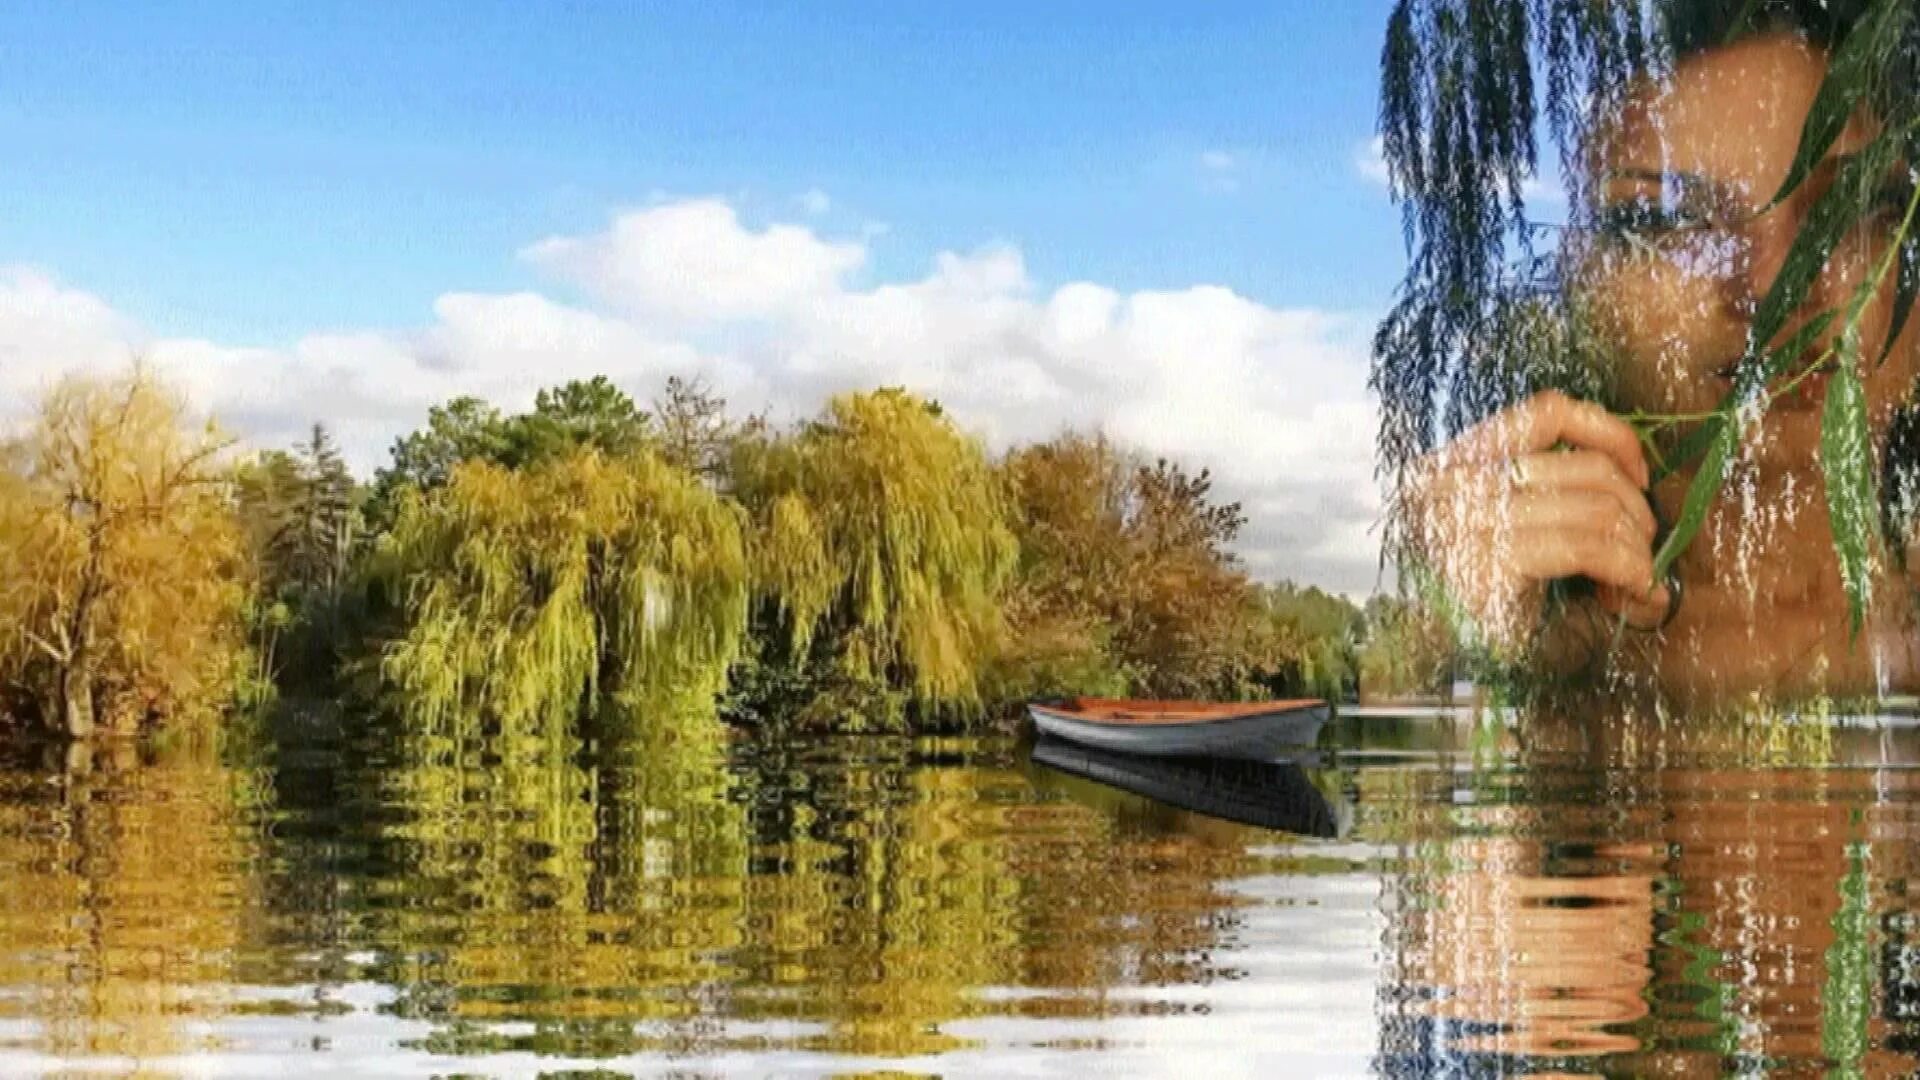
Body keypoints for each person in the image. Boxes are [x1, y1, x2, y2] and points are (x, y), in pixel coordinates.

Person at [1401, 16, 1920, 708]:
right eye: (1669, 220)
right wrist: (1476, 655)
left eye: (1849, 212)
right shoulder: (1545, 654)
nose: (1769, 289)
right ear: (1583, 285)